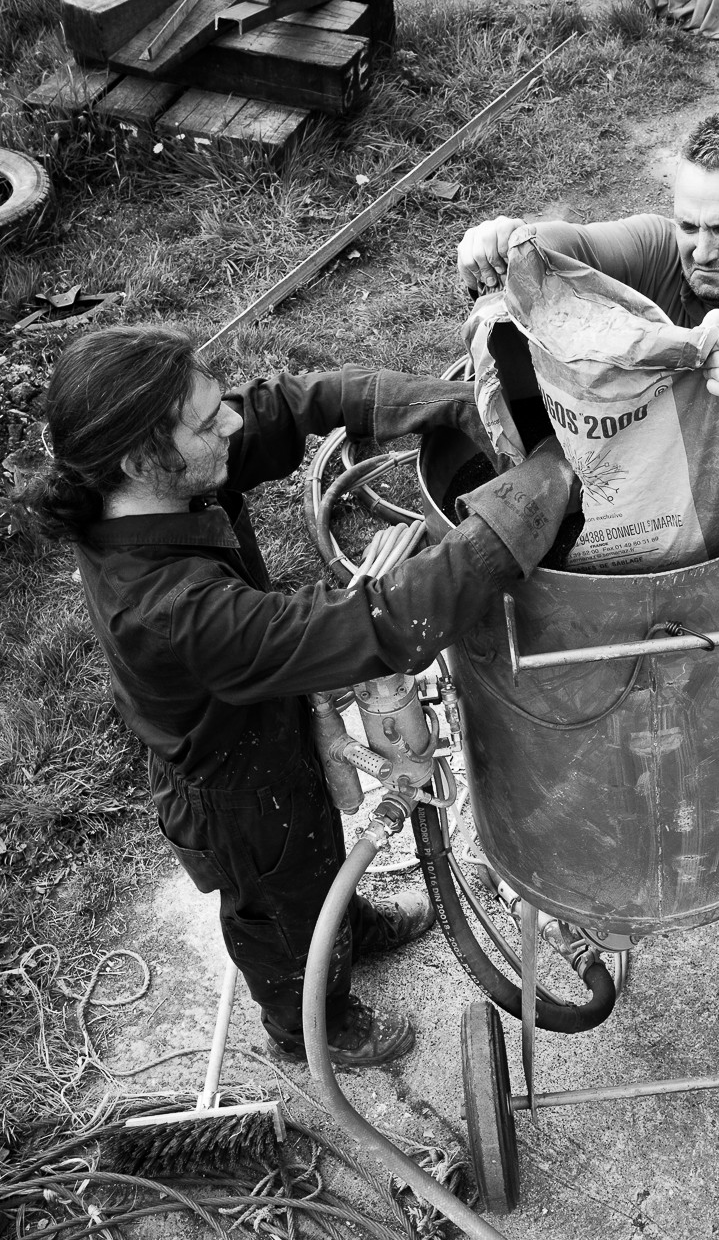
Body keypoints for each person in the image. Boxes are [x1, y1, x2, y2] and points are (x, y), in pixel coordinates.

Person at [20, 325, 574, 1068]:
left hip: (260, 720)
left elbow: (292, 405)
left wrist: (447, 404)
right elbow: (372, 623)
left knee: (316, 856)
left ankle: (343, 923)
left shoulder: (149, 482)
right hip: (233, 789)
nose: (230, 423)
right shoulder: (167, 609)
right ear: (138, 457)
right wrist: (516, 517)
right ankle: (309, 1021)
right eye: (206, 419)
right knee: (278, 905)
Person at [456, 107, 719, 843]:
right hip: (675, 540)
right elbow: (568, 245)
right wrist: (507, 240)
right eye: (689, 224)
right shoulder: (659, 250)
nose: (700, 251)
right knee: (674, 687)